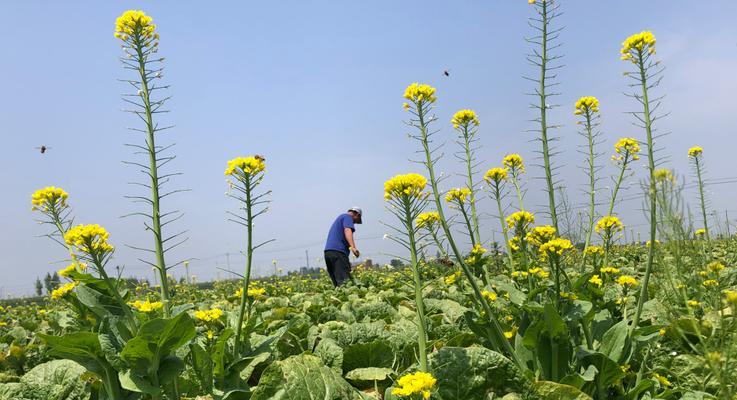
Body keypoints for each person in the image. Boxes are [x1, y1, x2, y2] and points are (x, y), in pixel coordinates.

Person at [324, 207, 362, 286]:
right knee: (345, 282)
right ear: (357, 214)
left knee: (337, 284)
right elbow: (347, 230)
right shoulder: (347, 217)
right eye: (355, 221)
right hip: (338, 252)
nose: (353, 224)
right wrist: (353, 248)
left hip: (328, 252)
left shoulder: (340, 218)